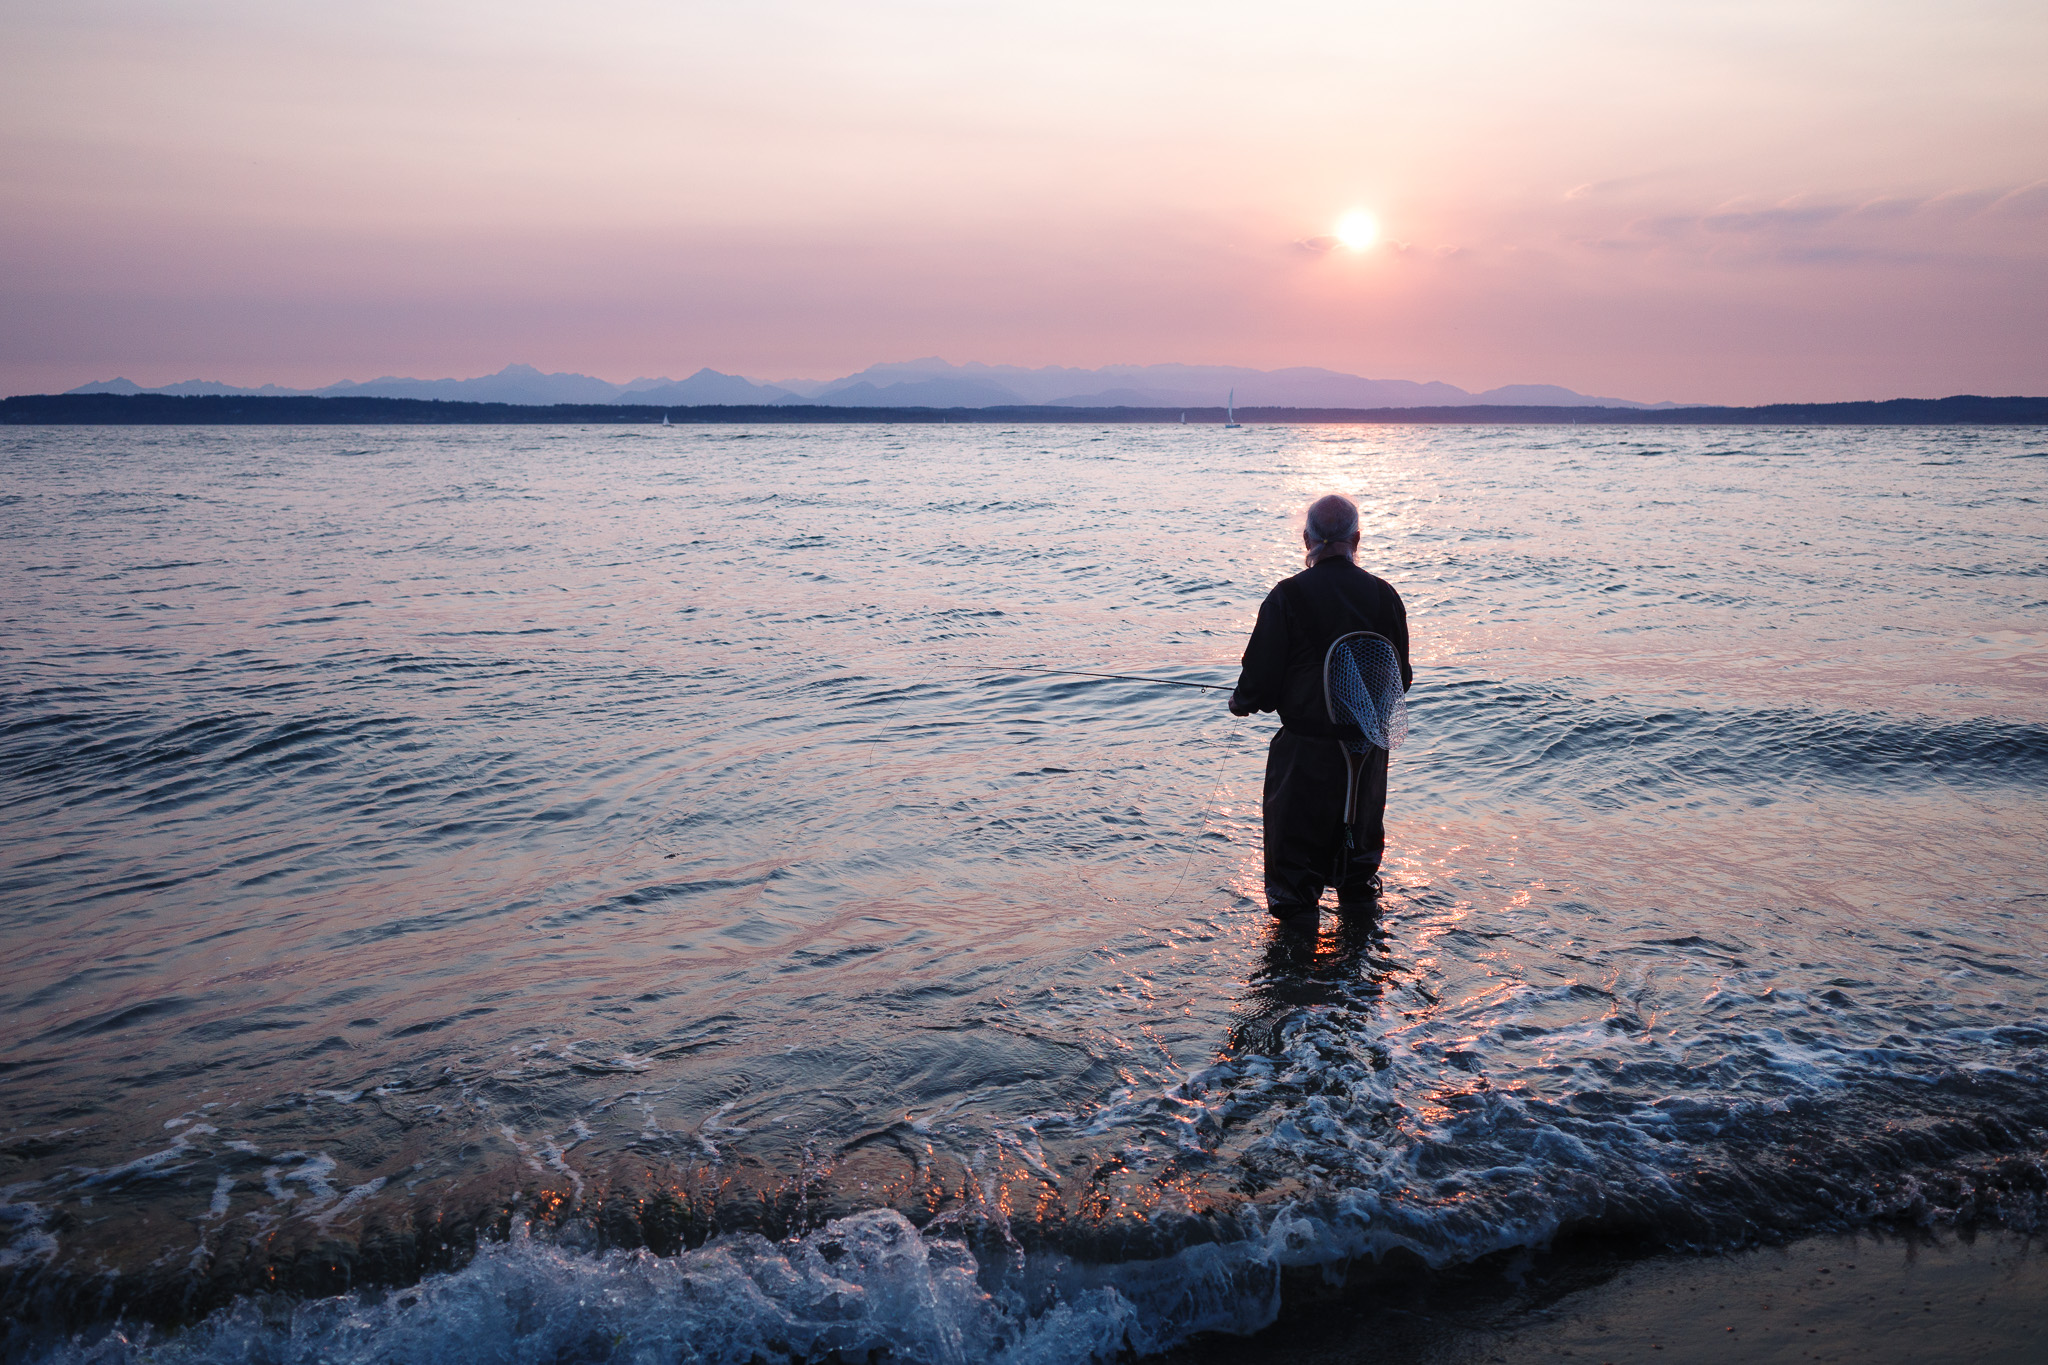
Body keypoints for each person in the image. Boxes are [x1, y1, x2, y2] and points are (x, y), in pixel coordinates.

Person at [1229, 494, 1412, 921]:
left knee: (1294, 887)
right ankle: (1363, 979)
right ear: (1357, 539)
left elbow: (1259, 683)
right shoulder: (1386, 596)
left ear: (1306, 538)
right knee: (1359, 877)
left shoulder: (1287, 596)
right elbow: (1399, 679)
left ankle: (1295, 983)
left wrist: (1242, 701)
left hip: (1305, 759)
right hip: (1366, 756)